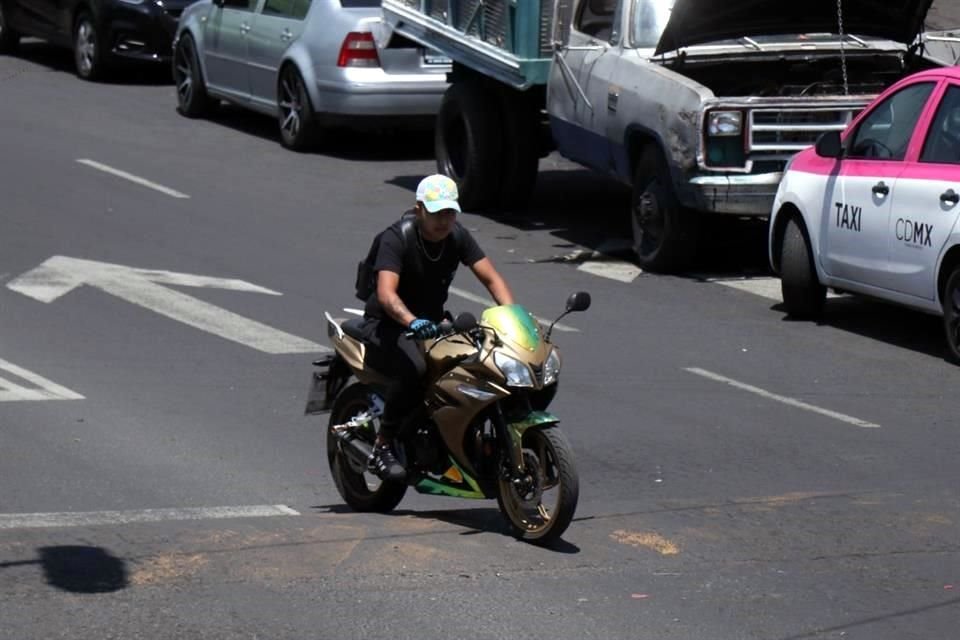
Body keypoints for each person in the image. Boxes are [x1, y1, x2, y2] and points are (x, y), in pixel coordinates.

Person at [360, 174, 514, 481]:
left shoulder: (457, 236)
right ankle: (384, 443)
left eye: (450, 212)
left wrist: (513, 315)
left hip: (434, 323)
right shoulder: (397, 238)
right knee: (415, 368)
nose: (444, 221)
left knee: (479, 361)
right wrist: (411, 321)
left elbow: (491, 278)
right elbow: (386, 294)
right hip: (388, 324)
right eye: (436, 213)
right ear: (419, 209)